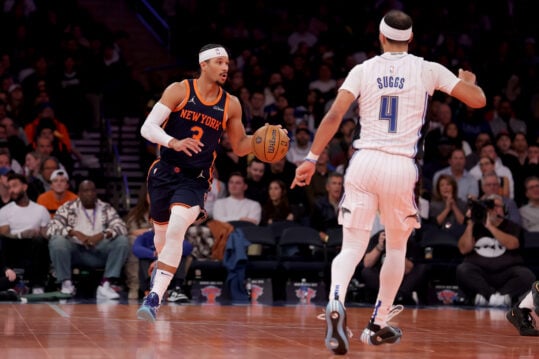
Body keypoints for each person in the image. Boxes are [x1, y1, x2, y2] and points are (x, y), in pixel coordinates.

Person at [291, 10, 486, 355]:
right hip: (401, 166)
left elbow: (335, 115)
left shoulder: (362, 70)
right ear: (411, 39)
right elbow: (478, 101)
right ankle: (378, 321)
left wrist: (309, 159)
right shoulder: (428, 68)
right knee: (396, 248)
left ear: (380, 38)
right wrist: (467, 83)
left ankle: (336, 302)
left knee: (351, 246)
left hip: (364, 161)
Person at [136, 44, 255, 322]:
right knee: (161, 236)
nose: (225, 67)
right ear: (204, 64)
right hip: (164, 171)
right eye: (219, 62)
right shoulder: (180, 90)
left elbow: (239, 146)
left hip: (196, 178)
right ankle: (159, 279)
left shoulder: (231, 104)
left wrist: (264, 140)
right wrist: (173, 142)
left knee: (178, 225)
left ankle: (154, 297)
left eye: (227, 62)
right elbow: (147, 127)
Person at [46, 180, 130, 299]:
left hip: (99, 250)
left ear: (96, 192)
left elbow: (121, 226)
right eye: (85, 191)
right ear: (79, 193)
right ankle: (66, 283)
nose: (89, 193)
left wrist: (102, 235)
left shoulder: (105, 207)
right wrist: (73, 232)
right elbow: (52, 227)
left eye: (92, 190)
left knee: (122, 241)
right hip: (75, 251)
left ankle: (105, 284)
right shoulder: (68, 207)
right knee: (57, 241)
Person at [456, 194, 535, 308]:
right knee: (463, 270)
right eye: (489, 206)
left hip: (506, 273)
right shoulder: (475, 226)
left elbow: (513, 244)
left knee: (527, 275)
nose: (493, 210)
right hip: (480, 273)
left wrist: (490, 226)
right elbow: (464, 249)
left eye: (497, 206)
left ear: (504, 209)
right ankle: (495, 297)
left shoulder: (512, 226)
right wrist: (471, 223)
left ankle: (492, 296)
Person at [0, 173, 51, 294]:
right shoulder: (5, 211)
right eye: (9, 187)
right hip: (12, 246)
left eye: (14, 186)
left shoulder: (40, 210)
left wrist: (40, 233)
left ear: (24, 187)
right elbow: (3, 233)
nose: (11, 190)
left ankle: (38, 284)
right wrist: (21, 235)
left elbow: (47, 234)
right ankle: (10, 279)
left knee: (40, 241)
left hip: (34, 246)